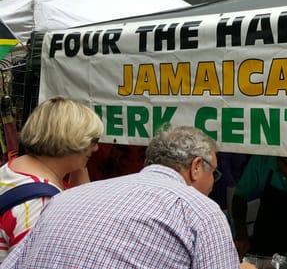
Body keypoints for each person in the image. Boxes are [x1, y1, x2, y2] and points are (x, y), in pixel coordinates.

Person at [0, 126, 241, 269]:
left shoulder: (67, 197)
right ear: (196, 167)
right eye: (214, 172)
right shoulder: (200, 210)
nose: (213, 183)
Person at [0, 97, 103, 262]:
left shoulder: (16, 168)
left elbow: (79, 203)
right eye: (93, 141)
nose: (96, 148)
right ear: (72, 140)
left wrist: (79, 160)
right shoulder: (41, 204)